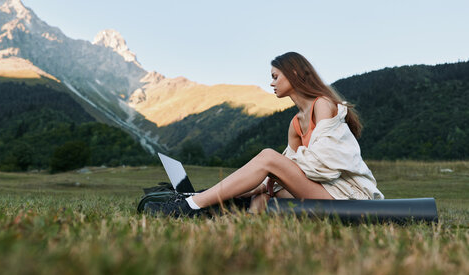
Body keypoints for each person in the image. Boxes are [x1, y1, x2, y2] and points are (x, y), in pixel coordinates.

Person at [146, 52, 384, 217]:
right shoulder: (295, 124)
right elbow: (289, 170)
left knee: (269, 159)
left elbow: (325, 164)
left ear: (293, 72)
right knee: (264, 193)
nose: (271, 83)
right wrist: (266, 184)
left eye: (275, 76)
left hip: (347, 197)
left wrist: (274, 177)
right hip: (322, 191)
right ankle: (215, 205)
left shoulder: (323, 104)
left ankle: (191, 205)